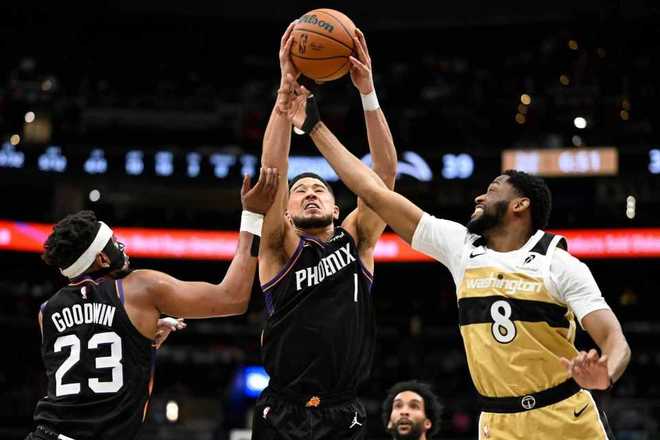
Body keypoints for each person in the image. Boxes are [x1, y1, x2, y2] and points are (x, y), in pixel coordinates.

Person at [281, 77, 631, 439]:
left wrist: (607, 372)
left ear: (520, 205)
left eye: (492, 190)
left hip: (565, 415)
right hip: (497, 422)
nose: (479, 197)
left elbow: (614, 337)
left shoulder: (558, 263)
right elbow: (373, 189)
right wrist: (315, 126)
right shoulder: (461, 246)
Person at [26, 168, 279, 440]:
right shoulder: (139, 288)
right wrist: (252, 216)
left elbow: (88, 364)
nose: (121, 247)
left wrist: (139, 337)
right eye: (113, 242)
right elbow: (233, 298)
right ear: (102, 258)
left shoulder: (47, 311)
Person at [251, 22, 397, 440]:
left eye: (320, 189)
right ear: (287, 211)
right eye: (300, 191)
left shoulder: (358, 239)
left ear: (337, 208)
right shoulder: (279, 248)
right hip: (282, 410)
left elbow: (384, 175)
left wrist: (367, 92)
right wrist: (284, 92)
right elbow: (272, 174)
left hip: (342, 410)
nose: (310, 193)